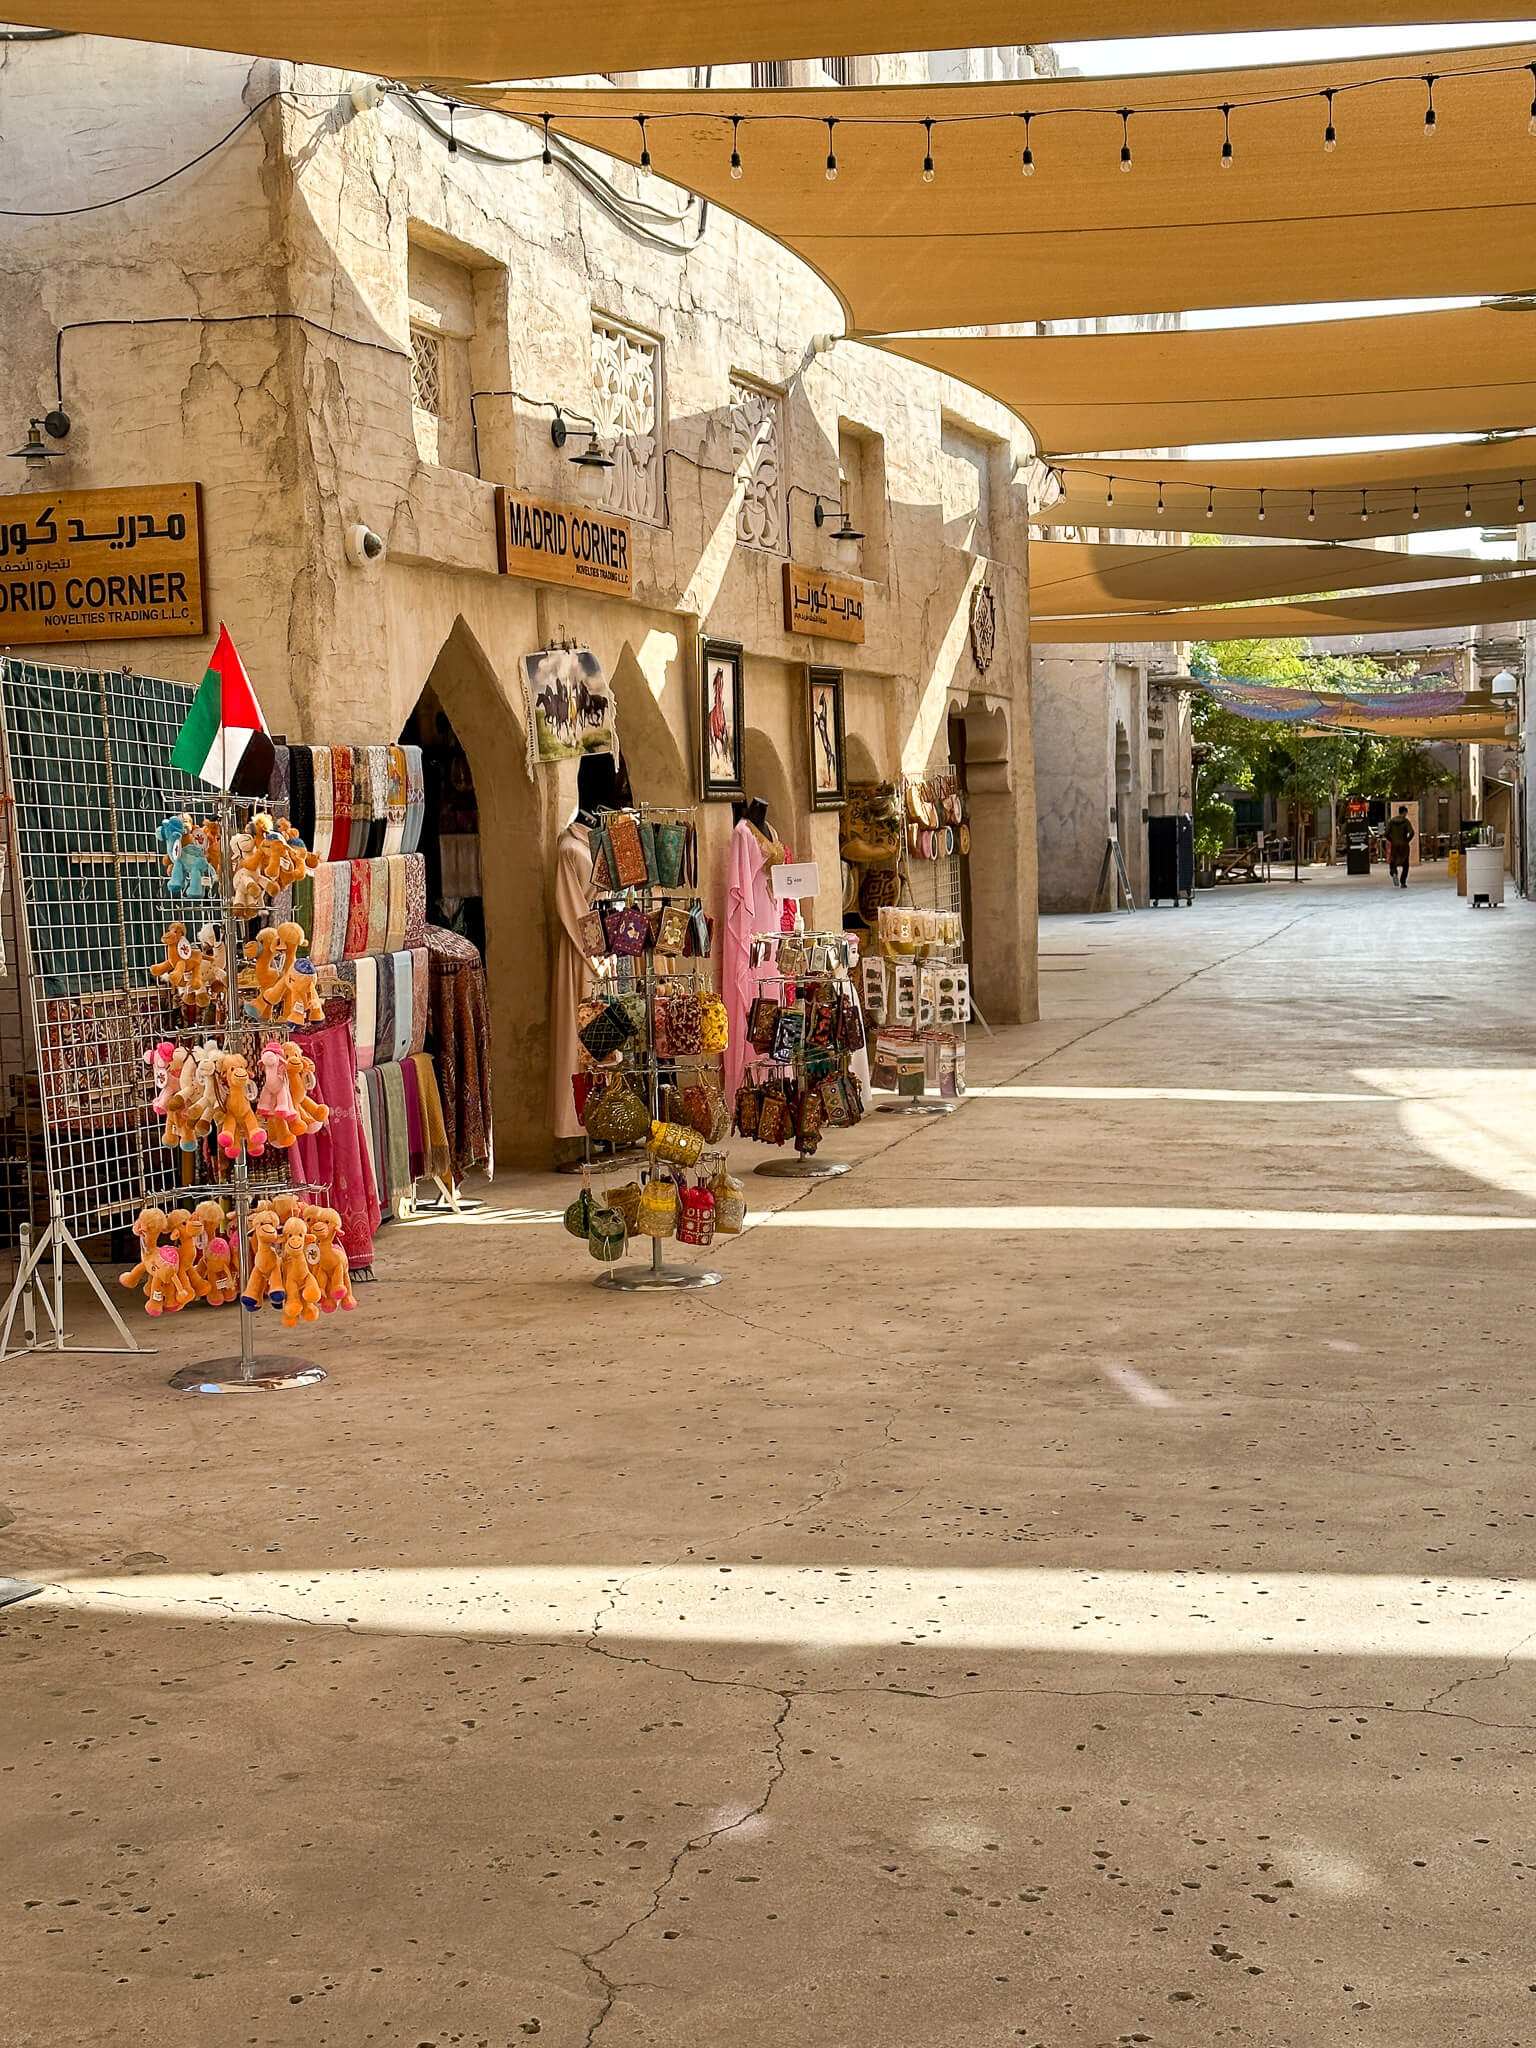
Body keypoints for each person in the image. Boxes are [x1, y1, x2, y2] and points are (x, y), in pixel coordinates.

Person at [1384, 805, 1415, 887]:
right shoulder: (1406, 821)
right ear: (1404, 812)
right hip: (1404, 845)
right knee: (1406, 864)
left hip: (1394, 845)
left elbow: (1386, 834)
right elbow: (1412, 832)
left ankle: (1394, 873)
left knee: (1393, 862)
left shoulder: (1391, 822)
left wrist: (1392, 840)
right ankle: (1403, 882)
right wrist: (1407, 840)